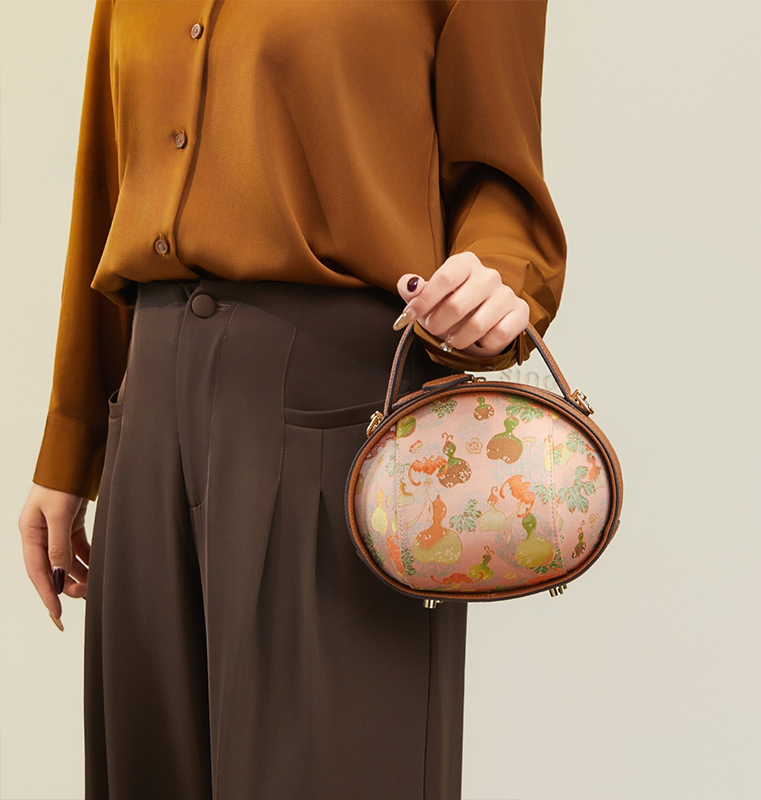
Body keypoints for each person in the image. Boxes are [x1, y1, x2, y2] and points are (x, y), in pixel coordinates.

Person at [17, 1, 567, 798]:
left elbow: (502, 175)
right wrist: (71, 438)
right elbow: (108, 179)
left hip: (342, 418)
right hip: (147, 407)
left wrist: (496, 283)